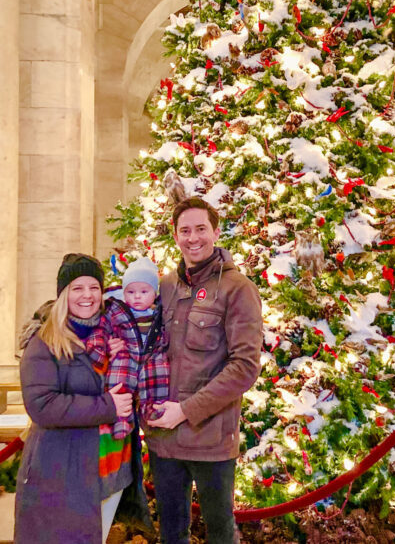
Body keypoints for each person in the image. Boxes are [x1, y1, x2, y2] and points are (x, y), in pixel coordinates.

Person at [145, 196, 263, 544]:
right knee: (171, 532)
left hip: (210, 439)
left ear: (215, 231)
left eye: (200, 229)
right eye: (185, 230)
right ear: (175, 235)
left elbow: (244, 367)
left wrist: (186, 411)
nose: (193, 238)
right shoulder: (165, 286)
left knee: (220, 533)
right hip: (163, 438)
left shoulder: (237, 288)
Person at [14, 253, 134, 544]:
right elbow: (42, 406)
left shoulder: (109, 333)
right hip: (60, 472)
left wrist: (120, 358)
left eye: (94, 287)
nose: (87, 295)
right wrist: (108, 406)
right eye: (77, 288)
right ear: (63, 294)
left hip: (110, 467)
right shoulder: (44, 341)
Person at [86, 256, 170, 439]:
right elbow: (101, 329)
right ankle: (121, 419)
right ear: (124, 293)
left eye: (143, 291)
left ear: (154, 293)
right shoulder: (116, 310)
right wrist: (99, 348)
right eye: (131, 292)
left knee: (159, 377)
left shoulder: (161, 314)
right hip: (125, 355)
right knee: (119, 384)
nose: (137, 296)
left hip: (152, 357)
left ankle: (155, 410)